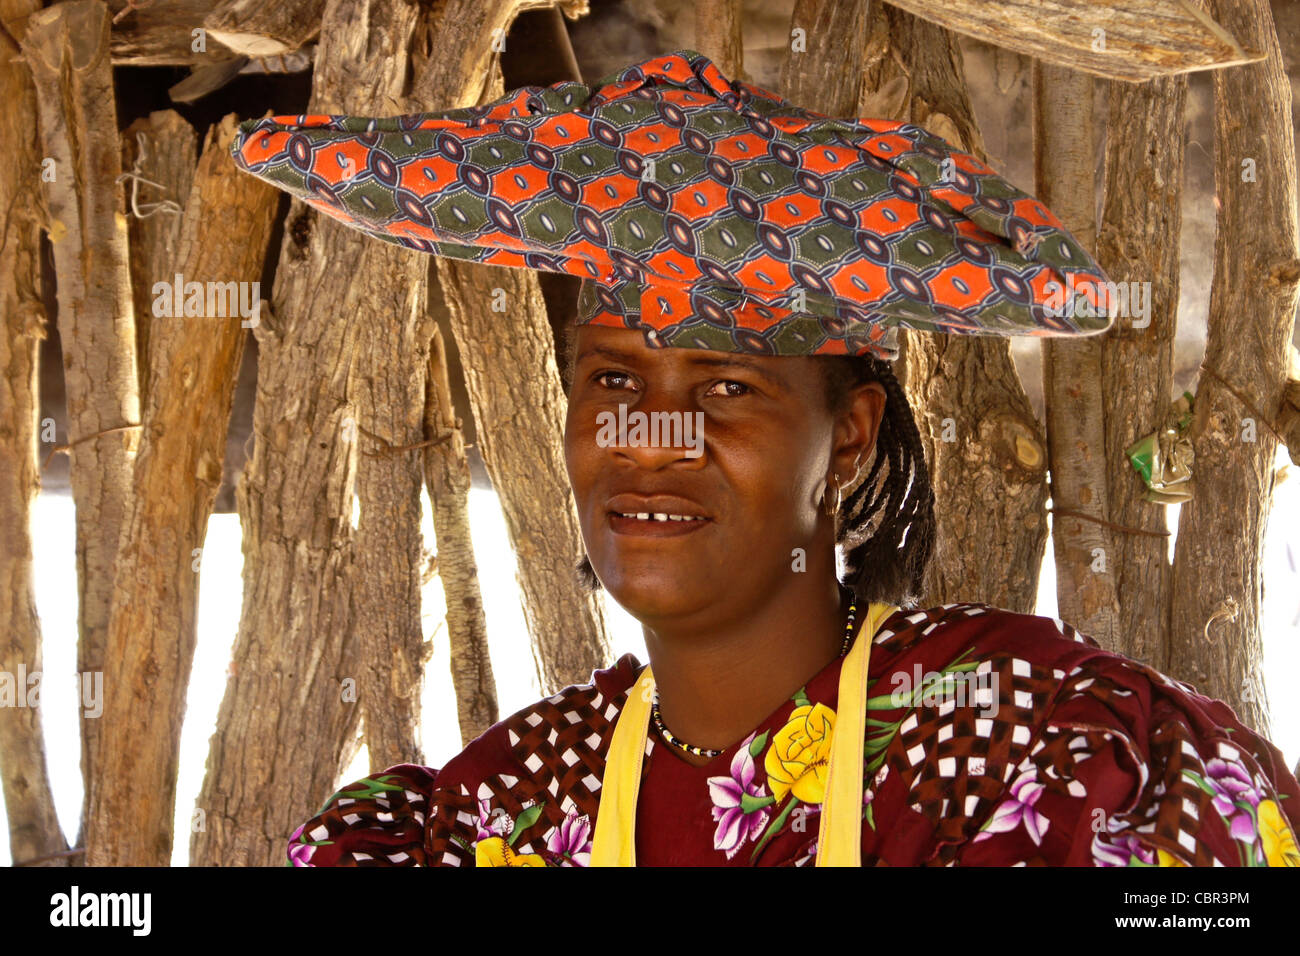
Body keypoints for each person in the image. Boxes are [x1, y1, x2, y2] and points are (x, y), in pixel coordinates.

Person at [230, 50, 1300, 866]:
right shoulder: (507, 807)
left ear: (849, 438)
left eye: (726, 388)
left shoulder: (1036, 742)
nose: (652, 437)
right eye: (611, 381)